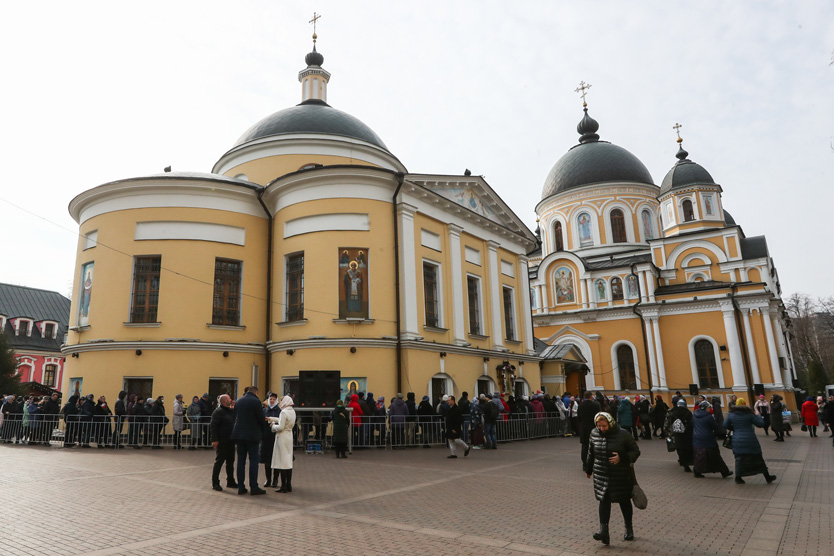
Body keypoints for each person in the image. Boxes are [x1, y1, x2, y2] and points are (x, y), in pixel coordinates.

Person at [584, 412, 640, 545]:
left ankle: (628, 527)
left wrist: (622, 457)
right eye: (599, 425)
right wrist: (588, 468)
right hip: (601, 473)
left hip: (620, 474)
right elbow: (591, 452)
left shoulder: (623, 434)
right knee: (603, 500)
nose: (601, 428)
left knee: (624, 501)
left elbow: (635, 451)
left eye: (604, 426)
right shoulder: (594, 433)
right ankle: (604, 532)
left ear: (611, 423)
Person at [724, 398, 776, 484]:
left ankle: (738, 478)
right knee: (758, 458)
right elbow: (761, 424)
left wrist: (735, 429)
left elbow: (725, 425)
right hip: (750, 439)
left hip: (737, 439)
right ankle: (767, 477)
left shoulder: (731, 414)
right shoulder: (749, 414)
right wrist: (758, 416)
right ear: (745, 404)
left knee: (739, 459)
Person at [231, 386, 268, 495]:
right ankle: (254, 486)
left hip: (239, 435)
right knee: (253, 461)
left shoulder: (238, 401)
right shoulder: (256, 401)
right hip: (252, 435)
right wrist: (262, 431)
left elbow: (235, 416)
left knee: (240, 462)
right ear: (256, 392)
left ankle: (241, 487)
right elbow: (261, 418)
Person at [692, 401, 733, 479]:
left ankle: (697, 471)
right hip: (707, 438)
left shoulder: (694, 415)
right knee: (715, 455)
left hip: (697, 437)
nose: (709, 409)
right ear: (705, 408)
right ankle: (724, 471)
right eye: (708, 407)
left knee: (699, 455)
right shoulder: (708, 416)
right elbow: (714, 426)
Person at [209, 394, 237, 491]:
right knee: (219, 461)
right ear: (225, 401)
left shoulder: (230, 411)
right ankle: (215, 482)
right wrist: (214, 440)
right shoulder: (218, 412)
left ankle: (230, 480)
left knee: (230, 462)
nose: (231, 400)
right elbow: (213, 426)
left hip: (230, 440)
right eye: (229, 398)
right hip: (222, 441)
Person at [271, 395, 297, 493]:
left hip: (282, 437)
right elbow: (285, 422)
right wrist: (273, 419)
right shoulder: (292, 411)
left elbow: (281, 427)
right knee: (288, 461)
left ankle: (283, 486)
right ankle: (288, 484)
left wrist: (273, 426)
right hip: (289, 436)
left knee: (282, 462)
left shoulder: (283, 412)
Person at [665, 399, 694, 472]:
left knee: (680, 449)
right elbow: (691, 423)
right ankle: (690, 462)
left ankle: (684, 464)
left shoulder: (673, 412)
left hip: (677, 434)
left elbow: (670, 422)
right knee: (688, 448)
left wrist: (669, 431)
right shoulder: (688, 412)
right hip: (687, 434)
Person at [261, 393, 281, 487]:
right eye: (270, 399)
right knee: (267, 460)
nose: (272, 400)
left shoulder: (280, 411)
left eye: (274, 399)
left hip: (276, 437)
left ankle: (275, 480)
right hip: (266, 438)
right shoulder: (264, 410)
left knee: (276, 459)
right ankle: (268, 479)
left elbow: (281, 421)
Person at [578, 391, 601, 464]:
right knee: (594, 445)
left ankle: (585, 462)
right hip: (593, 427)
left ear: (584, 397)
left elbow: (579, 417)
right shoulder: (595, 405)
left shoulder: (580, 406)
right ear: (591, 396)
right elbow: (598, 417)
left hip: (584, 428)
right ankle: (594, 462)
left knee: (584, 446)